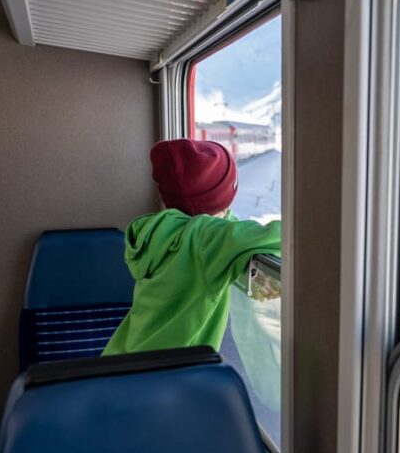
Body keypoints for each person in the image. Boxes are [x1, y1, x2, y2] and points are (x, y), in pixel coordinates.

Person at [102, 139, 281, 355]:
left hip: (122, 361)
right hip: (164, 375)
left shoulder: (157, 230)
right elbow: (280, 237)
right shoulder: (205, 241)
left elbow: (223, 227)